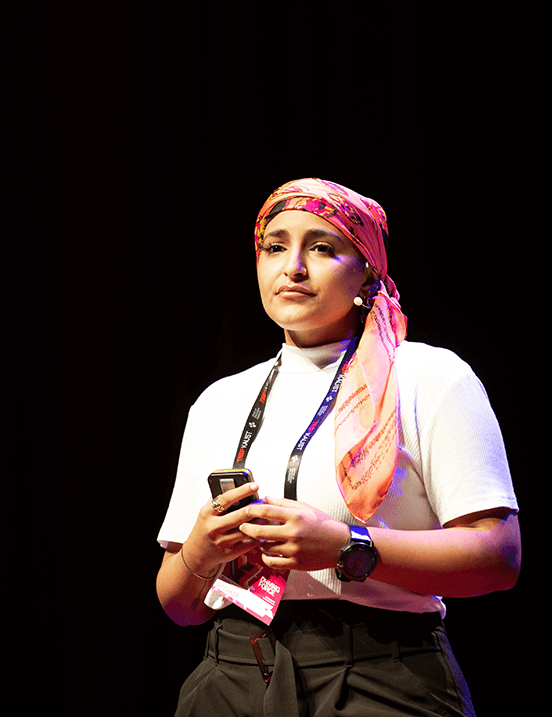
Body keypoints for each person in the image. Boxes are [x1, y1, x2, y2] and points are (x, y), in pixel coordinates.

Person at [156, 177, 521, 716]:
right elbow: (180, 607)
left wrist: (346, 546)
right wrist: (203, 551)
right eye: (274, 247)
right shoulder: (219, 400)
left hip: (381, 673)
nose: (293, 267)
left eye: (322, 248)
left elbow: (498, 557)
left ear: (367, 270)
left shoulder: (427, 376)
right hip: (232, 676)